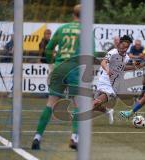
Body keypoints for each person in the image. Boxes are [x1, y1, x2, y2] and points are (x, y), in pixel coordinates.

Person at [31, 4, 82, 150]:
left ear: (73, 14)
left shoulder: (61, 29)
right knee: (78, 104)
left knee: (50, 104)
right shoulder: (85, 31)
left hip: (59, 67)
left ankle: (37, 137)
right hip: (74, 68)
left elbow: (48, 49)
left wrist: (51, 63)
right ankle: (74, 137)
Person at [93, 35, 142, 123]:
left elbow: (122, 68)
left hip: (112, 86)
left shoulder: (126, 58)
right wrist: (107, 70)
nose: (124, 48)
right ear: (119, 44)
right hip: (103, 81)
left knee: (95, 103)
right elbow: (103, 62)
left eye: (127, 47)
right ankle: (108, 111)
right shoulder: (112, 52)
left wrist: (134, 67)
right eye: (123, 46)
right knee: (96, 106)